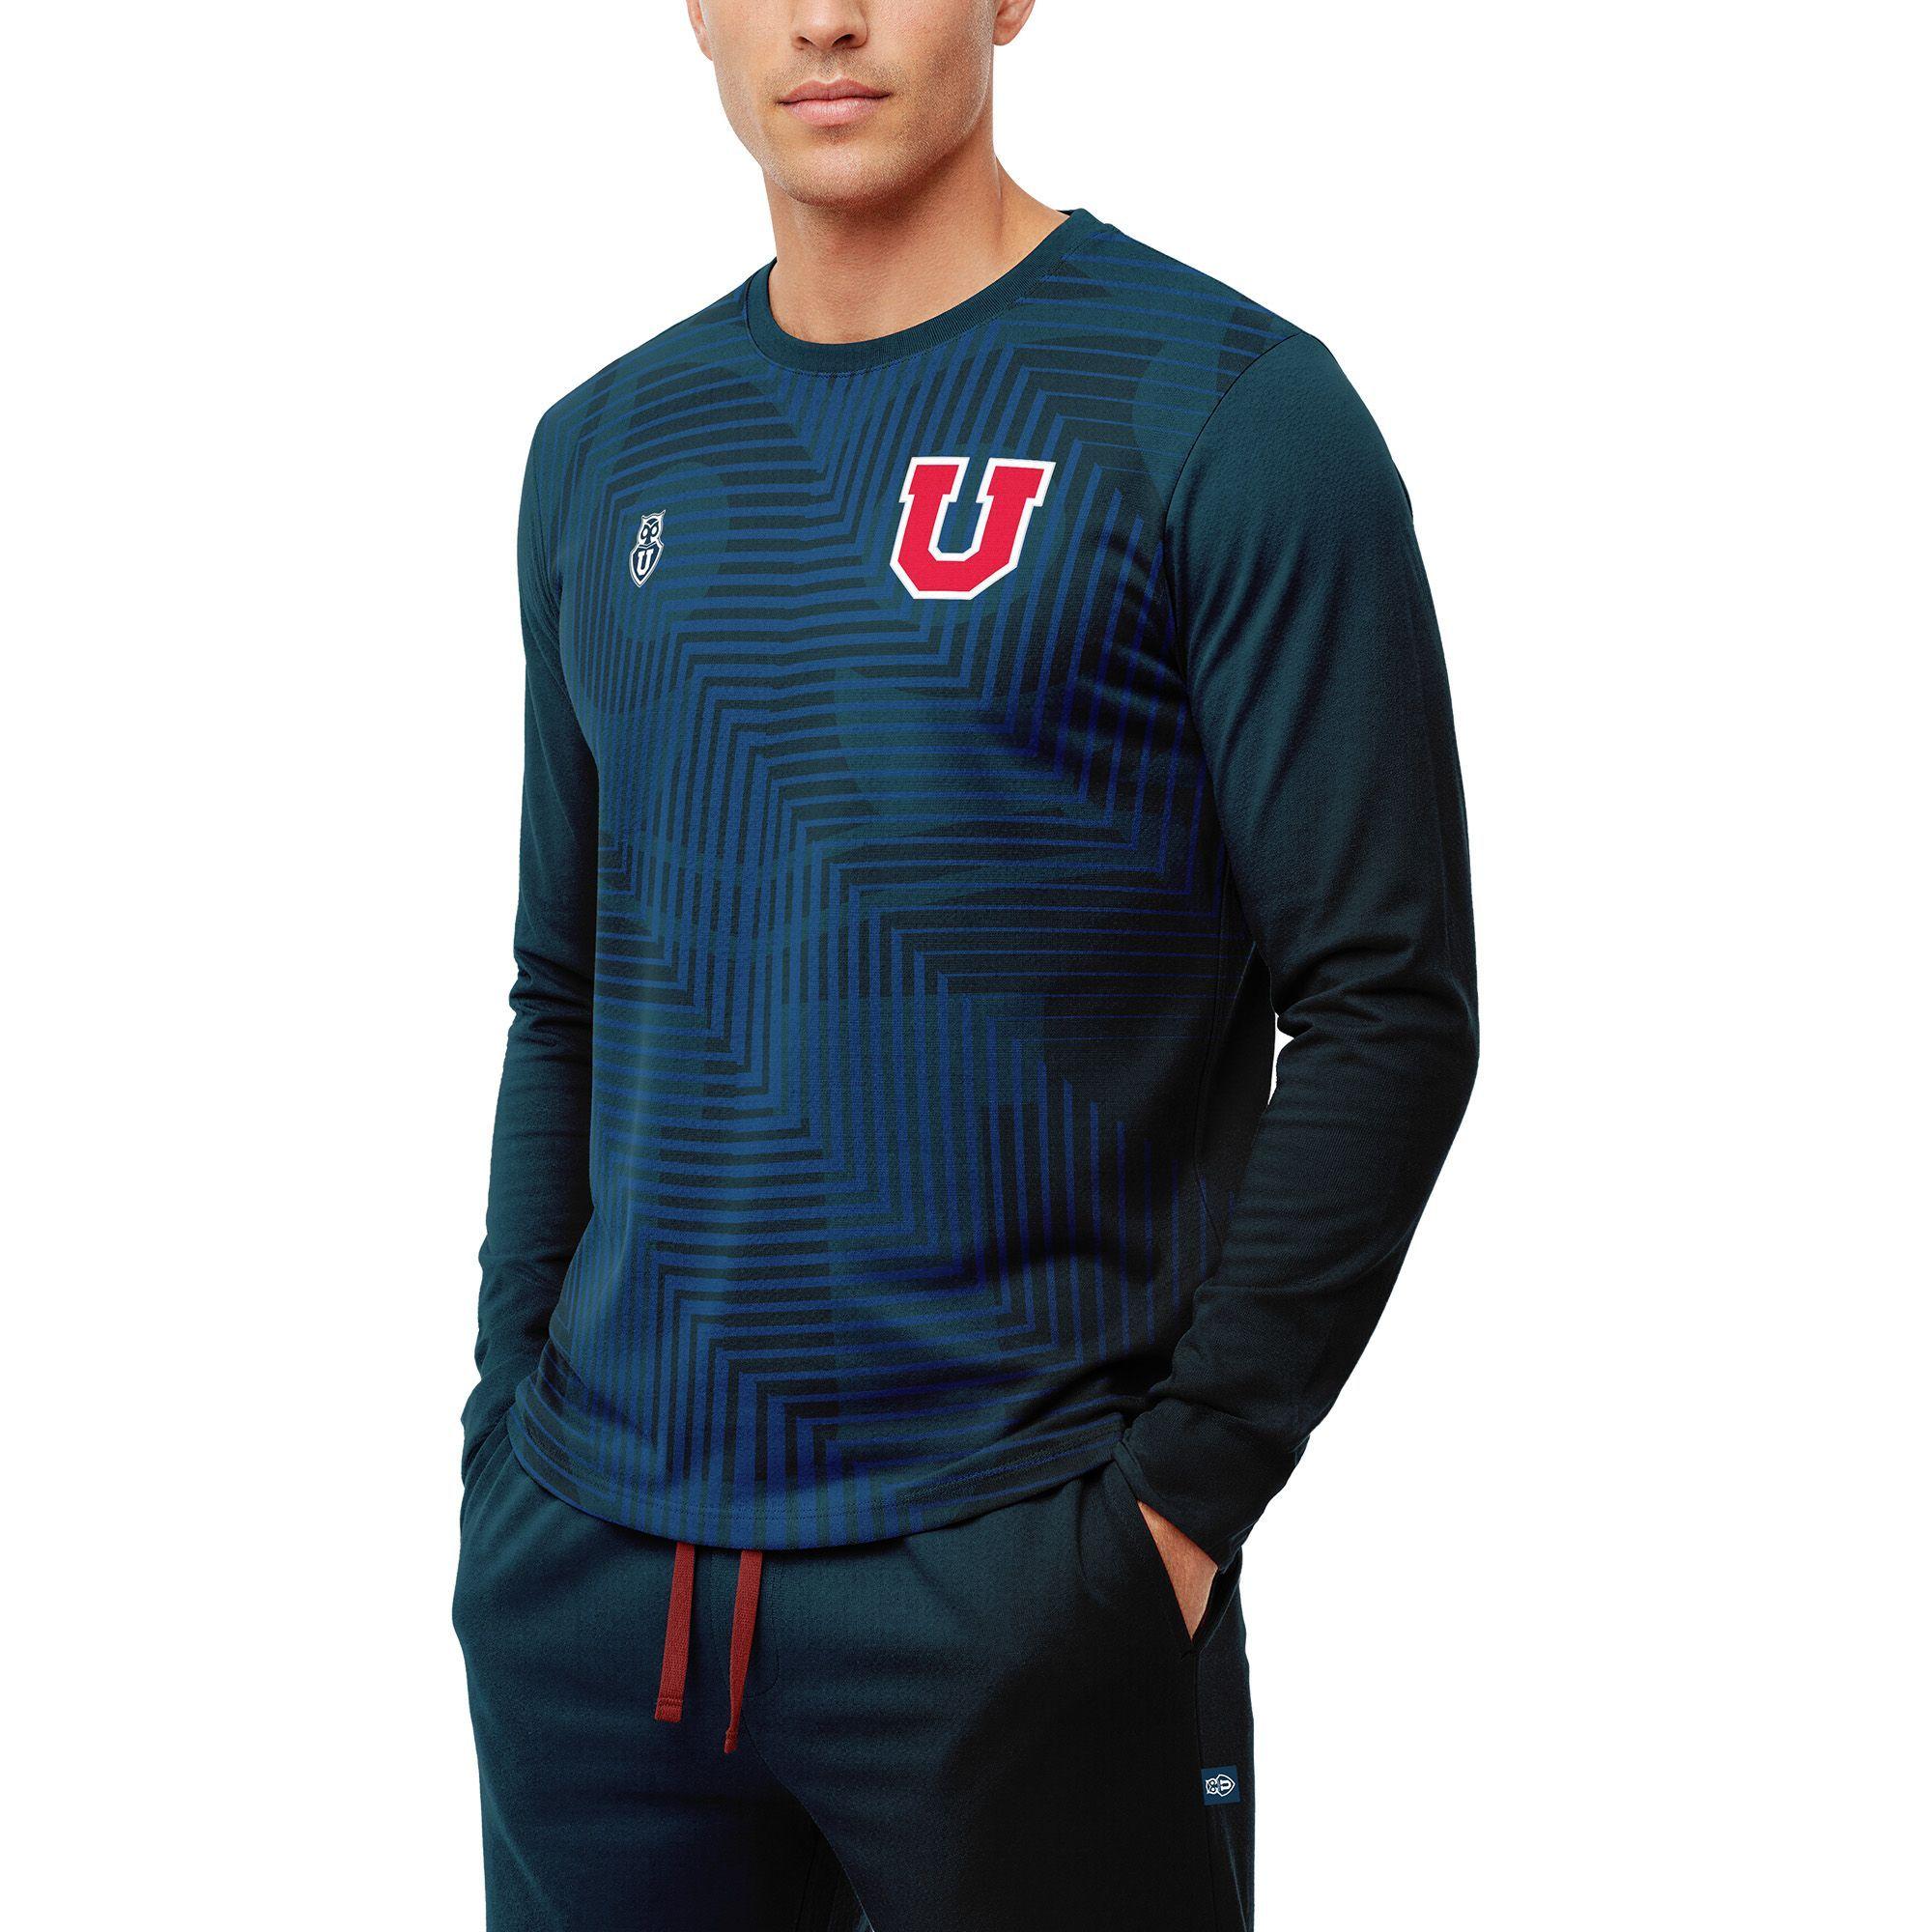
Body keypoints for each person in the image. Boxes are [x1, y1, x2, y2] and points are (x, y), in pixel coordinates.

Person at [451, 2, 1479, 1925]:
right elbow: (564, 984)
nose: (824, 18)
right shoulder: (601, 450)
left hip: (1012, 1583)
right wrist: (506, 1439)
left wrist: (1170, 1515)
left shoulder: (1225, 412)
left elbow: (1386, 1005)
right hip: (594, 1595)